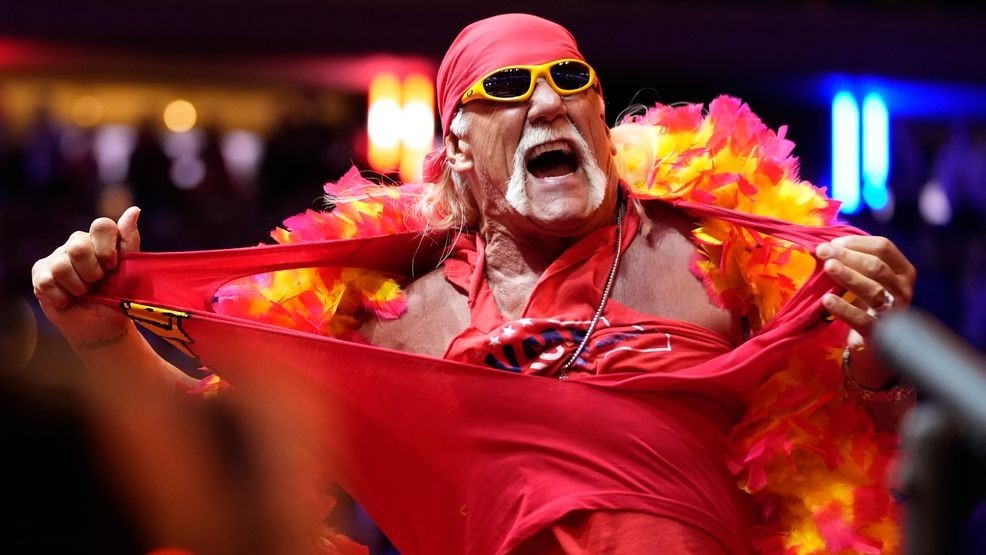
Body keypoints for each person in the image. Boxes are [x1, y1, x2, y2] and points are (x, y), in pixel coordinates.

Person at [32, 13, 916, 555]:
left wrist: (880, 336)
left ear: (602, 125)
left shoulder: (712, 253)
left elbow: (855, 433)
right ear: (456, 145)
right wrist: (98, 333)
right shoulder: (396, 316)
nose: (546, 104)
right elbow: (224, 454)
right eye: (507, 88)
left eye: (572, 81)